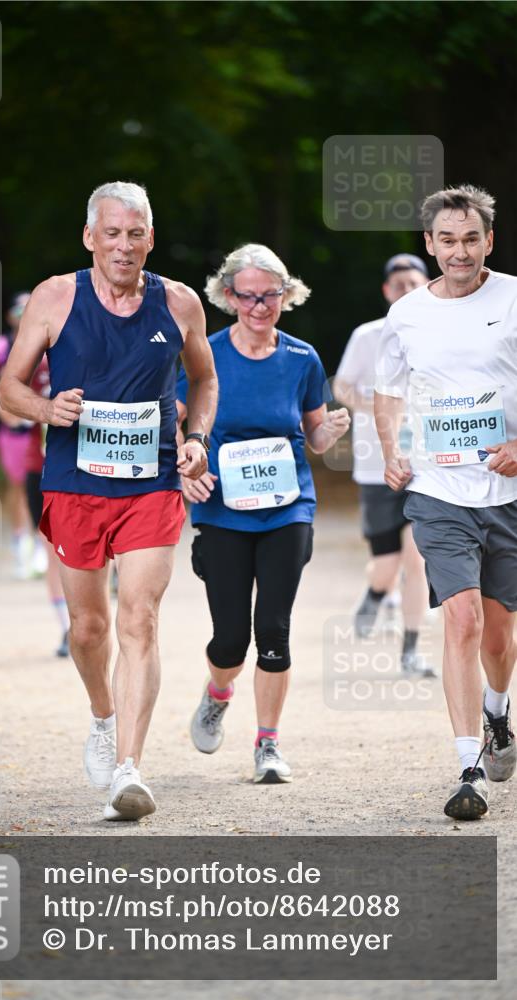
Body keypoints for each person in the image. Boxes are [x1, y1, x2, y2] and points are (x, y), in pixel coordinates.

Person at [0, 181, 217, 820]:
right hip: (75, 484)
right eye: (112, 233)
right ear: (90, 237)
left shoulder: (178, 303)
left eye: (137, 233)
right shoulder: (55, 297)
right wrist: (46, 408)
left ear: (152, 236)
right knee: (89, 628)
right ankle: (102, 714)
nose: (125, 246)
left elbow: (204, 379)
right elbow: (8, 390)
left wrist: (196, 437)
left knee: (139, 618)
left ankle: (129, 768)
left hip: (150, 484)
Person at [177, 244, 350, 783]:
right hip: (223, 511)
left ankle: (268, 745)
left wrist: (331, 432)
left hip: (287, 509)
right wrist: (188, 468)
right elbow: (176, 422)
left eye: (269, 295)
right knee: (231, 638)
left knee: (273, 628)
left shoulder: (302, 357)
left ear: (285, 295)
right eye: (248, 295)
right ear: (228, 296)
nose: (259, 305)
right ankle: (217, 691)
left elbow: (315, 433)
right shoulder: (204, 355)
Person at [374, 184, 517, 820]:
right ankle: (468, 766)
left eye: (471, 238)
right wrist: (390, 448)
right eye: (447, 240)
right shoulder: (406, 314)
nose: (460, 251)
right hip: (438, 491)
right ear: (429, 244)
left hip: (508, 492)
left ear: (490, 239)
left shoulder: (513, 297)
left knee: (500, 634)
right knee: (461, 619)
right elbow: (387, 388)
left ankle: (498, 713)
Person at [334, 254, 434, 675]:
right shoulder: (367, 335)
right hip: (376, 466)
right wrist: (380, 407)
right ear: (387, 292)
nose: (405, 290)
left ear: (427, 285)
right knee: (387, 564)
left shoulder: (442, 334)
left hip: (428, 467)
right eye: (398, 285)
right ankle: (375, 594)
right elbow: (341, 386)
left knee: (417, 561)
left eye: (413, 283)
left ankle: (410, 651)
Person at [0, 292, 47, 579]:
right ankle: (21, 542)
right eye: (18, 312)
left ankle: (43, 545)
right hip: (14, 427)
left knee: (46, 485)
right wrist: (7, 381)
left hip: (45, 426)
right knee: (19, 484)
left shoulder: (50, 342)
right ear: (10, 316)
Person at [22, 358, 72, 657]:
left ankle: (94, 622)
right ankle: (67, 627)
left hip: (90, 470)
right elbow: (4, 406)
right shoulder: (29, 361)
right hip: (41, 469)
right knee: (54, 551)